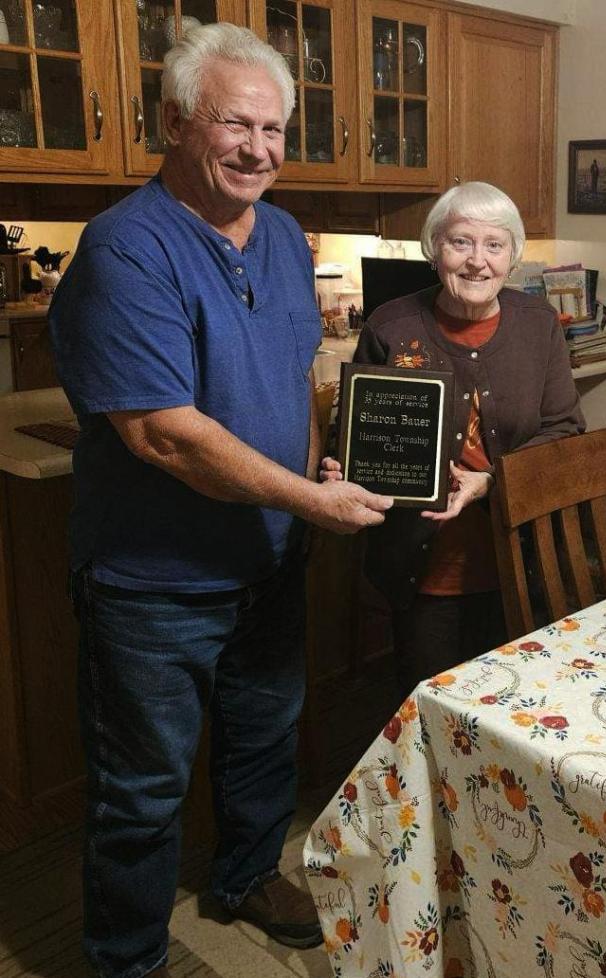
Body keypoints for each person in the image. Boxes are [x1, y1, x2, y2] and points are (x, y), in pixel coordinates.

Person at [48, 23, 393, 978]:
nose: (258, 149)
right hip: (154, 581)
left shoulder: (285, 235)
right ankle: (126, 957)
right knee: (144, 788)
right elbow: (162, 431)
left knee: (263, 740)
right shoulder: (125, 247)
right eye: (234, 124)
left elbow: (293, 381)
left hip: (270, 556)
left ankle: (243, 876)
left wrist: (315, 476)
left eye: (275, 129)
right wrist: (311, 505)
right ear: (173, 124)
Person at [321, 181, 584, 695]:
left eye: (494, 245)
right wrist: (340, 465)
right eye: (460, 242)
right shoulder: (390, 326)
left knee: (512, 703)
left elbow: (566, 432)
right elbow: (353, 432)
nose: (476, 262)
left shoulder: (539, 324)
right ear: (434, 250)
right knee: (430, 710)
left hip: (519, 557)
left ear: (512, 258)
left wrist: (488, 482)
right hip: (423, 567)